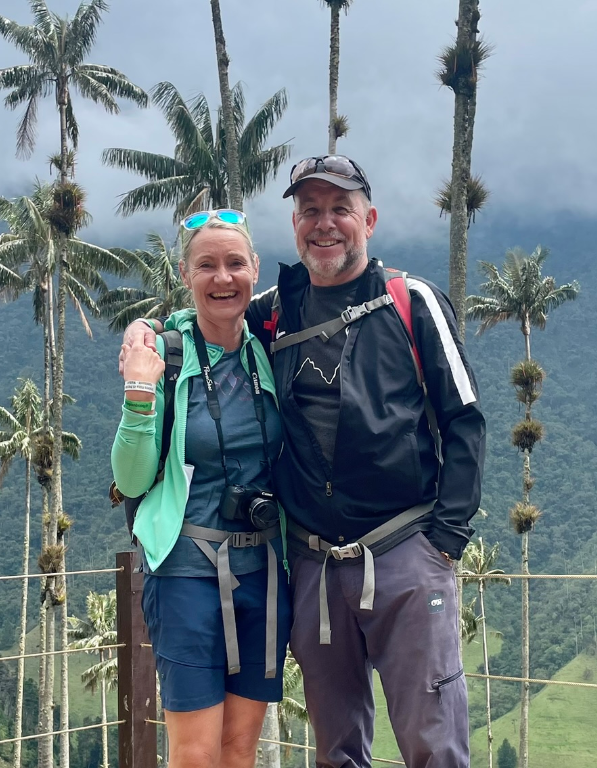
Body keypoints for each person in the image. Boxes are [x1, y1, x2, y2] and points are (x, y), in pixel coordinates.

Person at [125, 156, 485, 768]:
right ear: (294, 226)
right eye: (310, 210)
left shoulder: (410, 301)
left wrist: (444, 541)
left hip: (404, 550)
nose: (325, 223)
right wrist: (146, 330)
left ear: (369, 220)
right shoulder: (276, 310)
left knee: (433, 744)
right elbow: (212, 313)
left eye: (340, 209)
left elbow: (465, 420)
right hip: (313, 564)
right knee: (336, 747)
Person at [112, 210, 290, 768]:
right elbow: (130, 479)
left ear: (255, 269)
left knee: (239, 751)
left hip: (263, 572)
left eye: (235, 263)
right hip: (186, 573)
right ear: (185, 275)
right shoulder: (166, 354)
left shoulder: (269, 348)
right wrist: (140, 394)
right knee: (195, 754)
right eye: (206, 265)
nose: (223, 277)